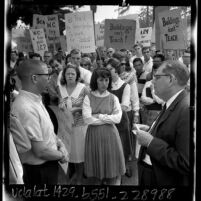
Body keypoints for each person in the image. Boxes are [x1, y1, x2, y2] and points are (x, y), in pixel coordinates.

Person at [11, 59, 69, 184]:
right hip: (40, 172)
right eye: (46, 74)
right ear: (34, 78)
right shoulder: (26, 107)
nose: (49, 78)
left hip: (49, 163)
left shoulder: (35, 99)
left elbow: (48, 131)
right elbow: (40, 151)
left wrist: (60, 143)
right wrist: (62, 155)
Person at [136, 60, 190, 185]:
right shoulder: (172, 102)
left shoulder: (186, 109)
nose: (153, 81)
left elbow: (185, 162)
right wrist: (152, 130)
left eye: (157, 77)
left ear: (171, 79)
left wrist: (150, 142)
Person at [82, 68, 125, 185]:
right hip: (94, 136)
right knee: (95, 174)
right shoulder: (88, 97)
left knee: (113, 171)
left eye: (106, 80)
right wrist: (108, 118)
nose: (104, 83)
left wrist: (99, 116)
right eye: (101, 80)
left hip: (111, 136)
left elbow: (118, 118)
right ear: (95, 81)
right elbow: (87, 119)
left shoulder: (113, 98)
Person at [58, 63, 89, 185]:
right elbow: (60, 102)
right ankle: (72, 175)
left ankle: (80, 178)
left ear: (77, 76)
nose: (70, 76)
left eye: (72, 74)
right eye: (67, 73)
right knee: (69, 153)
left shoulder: (83, 88)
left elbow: (88, 106)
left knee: (79, 155)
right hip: (66, 127)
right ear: (64, 75)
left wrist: (77, 109)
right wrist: (61, 106)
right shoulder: (61, 88)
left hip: (80, 126)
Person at [106, 58, 132, 178]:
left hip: (121, 121)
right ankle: (114, 172)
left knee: (123, 147)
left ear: (116, 70)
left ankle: (124, 168)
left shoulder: (125, 86)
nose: (107, 71)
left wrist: (108, 107)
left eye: (110, 69)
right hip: (108, 121)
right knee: (111, 149)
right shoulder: (106, 85)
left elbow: (125, 106)